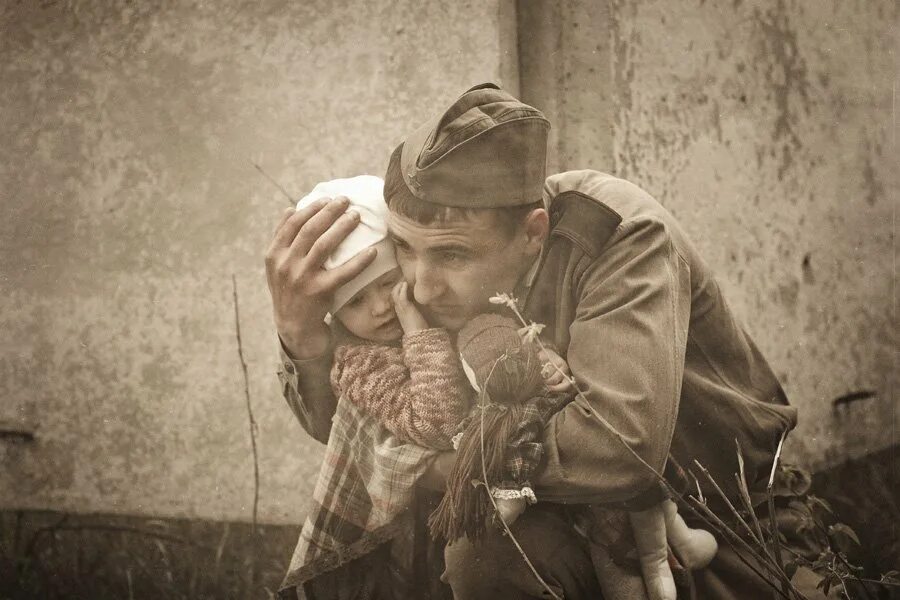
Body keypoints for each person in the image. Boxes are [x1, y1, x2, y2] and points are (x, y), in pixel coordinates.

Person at [266, 83, 806, 599]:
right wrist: (301, 336)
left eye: (453, 255)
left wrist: (422, 467)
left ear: (533, 233)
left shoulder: (618, 232)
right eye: (404, 248)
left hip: (733, 522)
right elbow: (358, 420)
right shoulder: (413, 277)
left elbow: (617, 450)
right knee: (483, 555)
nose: (420, 287)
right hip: (565, 522)